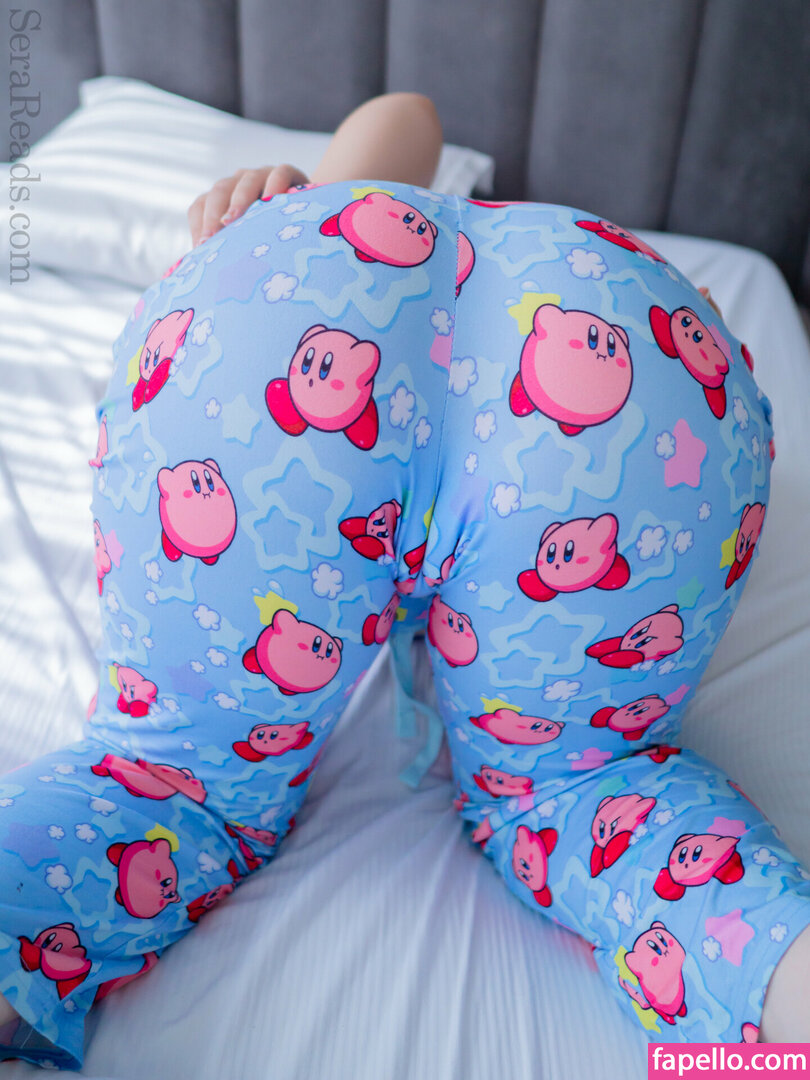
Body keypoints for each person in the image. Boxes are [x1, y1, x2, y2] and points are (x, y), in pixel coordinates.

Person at [1, 90, 808, 1069]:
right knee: (585, 792)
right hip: (649, 352)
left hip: (273, 312)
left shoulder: (329, 220)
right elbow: (413, 113)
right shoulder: (502, 237)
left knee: (170, 785)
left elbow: (406, 112)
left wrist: (302, 205)